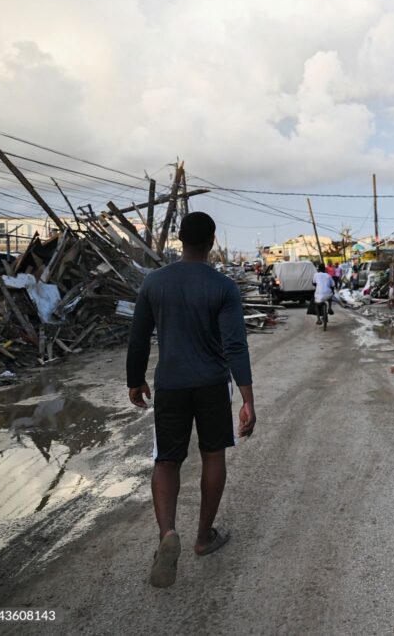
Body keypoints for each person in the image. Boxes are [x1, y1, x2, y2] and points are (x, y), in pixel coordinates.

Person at [126, 212, 256, 589]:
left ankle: (168, 533)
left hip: (170, 384)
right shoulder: (223, 287)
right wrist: (248, 399)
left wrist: (135, 380)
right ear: (212, 241)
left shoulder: (155, 283)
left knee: (166, 460)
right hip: (213, 384)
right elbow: (235, 346)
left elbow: (138, 337)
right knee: (214, 455)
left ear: (180, 240)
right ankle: (203, 537)